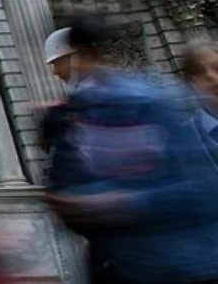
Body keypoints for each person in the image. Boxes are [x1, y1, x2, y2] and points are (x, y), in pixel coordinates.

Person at [42, 18, 218, 283]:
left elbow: (198, 185)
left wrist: (120, 203)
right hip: (124, 264)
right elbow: (65, 187)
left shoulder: (146, 102)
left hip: (178, 261)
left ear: (82, 54)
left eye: (59, 62)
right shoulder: (73, 114)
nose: (56, 71)